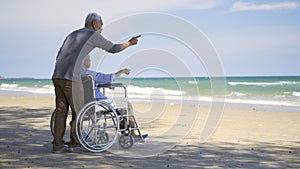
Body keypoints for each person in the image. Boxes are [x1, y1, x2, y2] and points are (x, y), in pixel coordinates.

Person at [51, 12, 140, 153]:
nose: (102, 25)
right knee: (78, 111)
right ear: (94, 23)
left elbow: (59, 54)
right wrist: (130, 43)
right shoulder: (92, 35)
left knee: (61, 111)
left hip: (57, 75)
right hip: (71, 78)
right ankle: (75, 142)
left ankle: (57, 145)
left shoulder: (72, 35)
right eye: (101, 23)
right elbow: (113, 49)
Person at [81, 56, 149, 139]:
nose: (90, 61)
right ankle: (132, 132)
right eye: (89, 59)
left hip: (86, 103)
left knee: (121, 109)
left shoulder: (78, 74)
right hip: (99, 103)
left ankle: (125, 132)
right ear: (84, 61)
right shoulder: (90, 74)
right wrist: (122, 71)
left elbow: (91, 86)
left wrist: (106, 85)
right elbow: (109, 78)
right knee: (127, 105)